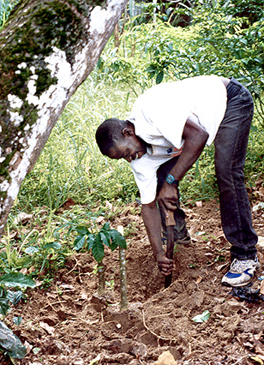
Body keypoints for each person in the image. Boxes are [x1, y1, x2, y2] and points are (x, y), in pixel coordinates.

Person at [95, 75, 259, 287]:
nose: (130, 158)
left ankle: (245, 255)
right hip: (201, 124)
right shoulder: (137, 157)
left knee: (226, 172)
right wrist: (159, 254)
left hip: (229, 100)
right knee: (161, 179)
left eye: (127, 152)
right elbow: (148, 205)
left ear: (128, 132)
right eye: (123, 158)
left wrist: (171, 182)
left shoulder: (152, 111)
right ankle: (180, 242)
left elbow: (198, 136)